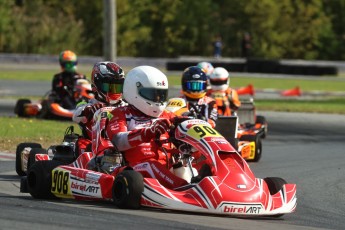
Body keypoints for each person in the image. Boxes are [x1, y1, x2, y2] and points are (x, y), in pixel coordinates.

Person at [104, 66, 191, 188]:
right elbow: (119, 141)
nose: (158, 99)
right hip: (134, 170)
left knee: (185, 165)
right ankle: (183, 189)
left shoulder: (167, 115)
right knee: (151, 165)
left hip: (167, 168)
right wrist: (148, 133)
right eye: (152, 94)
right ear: (133, 90)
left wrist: (187, 131)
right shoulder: (121, 113)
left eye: (161, 95)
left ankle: (204, 187)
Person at [73, 61, 126, 141]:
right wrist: (89, 110)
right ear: (97, 84)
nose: (114, 91)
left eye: (117, 87)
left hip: (119, 145)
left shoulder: (125, 106)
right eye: (109, 87)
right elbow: (76, 116)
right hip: (92, 146)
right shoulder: (88, 104)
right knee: (81, 144)